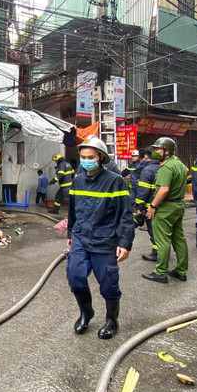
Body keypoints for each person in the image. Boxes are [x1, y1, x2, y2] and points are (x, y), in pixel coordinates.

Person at [66, 135, 133, 339]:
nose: (86, 160)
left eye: (91, 156)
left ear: (101, 157)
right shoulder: (78, 180)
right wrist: (70, 233)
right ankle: (86, 313)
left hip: (104, 241)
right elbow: (73, 210)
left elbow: (125, 214)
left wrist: (125, 242)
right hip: (81, 238)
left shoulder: (115, 181)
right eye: (83, 156)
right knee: (75, 276)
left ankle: (112, 320)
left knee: (108, 283)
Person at [142, 137, 189, 283]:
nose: (155, 152)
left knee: (162, 240)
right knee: (179, 239)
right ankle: (181, 270)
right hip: (178, 206)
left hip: (166, 207)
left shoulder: (166, 167)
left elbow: (164, 189)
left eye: (157, 149)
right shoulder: (179, 164)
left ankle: (160, 272)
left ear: (166, 151)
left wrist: (153, 206)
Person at [134, 148, 160, 261]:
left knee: (153, 230)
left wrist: (139, 206)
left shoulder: (147, 170)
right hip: (161, 204)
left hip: (150, 206)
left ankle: (156, 254)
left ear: (146, 157)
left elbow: (144, 190)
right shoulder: (163, 167)